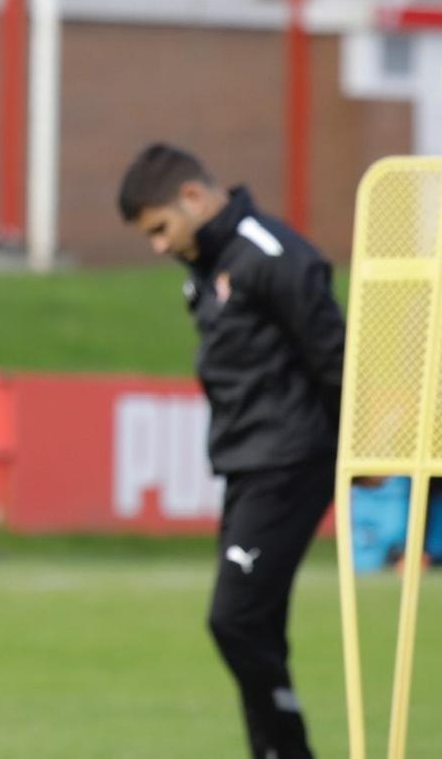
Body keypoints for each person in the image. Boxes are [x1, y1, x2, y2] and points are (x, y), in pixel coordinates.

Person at [117, 144, 345, 759]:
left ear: (193, 198)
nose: (159, 246)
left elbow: (334, 354)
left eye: (161, 229)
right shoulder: (210, 262)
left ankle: (287, 751)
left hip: (290, 461)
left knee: (235, 618)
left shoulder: (272, 254)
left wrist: (359, 448)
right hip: (249, 464)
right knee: (259, 626)